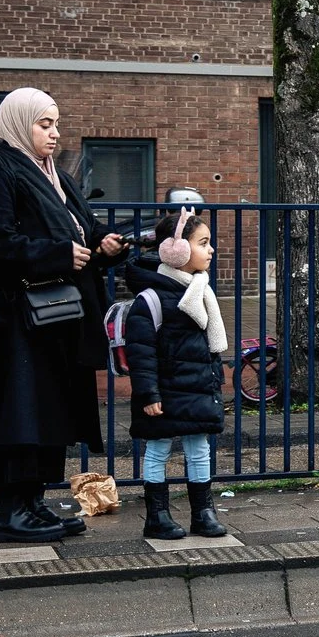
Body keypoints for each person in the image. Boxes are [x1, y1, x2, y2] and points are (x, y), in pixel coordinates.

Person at [0, 88, 127, 544]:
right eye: (43, 124)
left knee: (49, 411)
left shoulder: (55, 175)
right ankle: (10, 512)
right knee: (20, 411)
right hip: (19, 320)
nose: (54, 134)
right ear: (19, 124)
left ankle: (32, 505)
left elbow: (82, 229)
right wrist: (56, 254)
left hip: (56, 319)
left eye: (56, 124)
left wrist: (104, 244)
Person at [124, 207, 231, 541]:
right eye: (203, 243)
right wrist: (149, 394)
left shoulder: (200, 291)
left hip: (197, 389)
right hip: (164, 393)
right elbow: (140, 355)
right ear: (177, 250)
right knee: (158, 451)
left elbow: (208, 352)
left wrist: (214, 383)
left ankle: (203, 513)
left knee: (199, 450)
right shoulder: (151, 299)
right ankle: (157, 516)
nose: (210, 250)